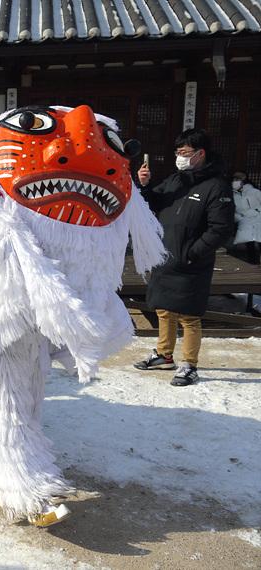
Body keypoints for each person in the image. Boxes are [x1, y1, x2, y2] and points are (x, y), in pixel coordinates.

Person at [133, 129, 235, 386]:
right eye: (177, 153)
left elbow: (221, 229)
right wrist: (144, 186)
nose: (180, 157)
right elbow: (153, 203)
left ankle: (189, 364)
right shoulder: (176, 180)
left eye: (185, 153)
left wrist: (192, 253)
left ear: (200, 154)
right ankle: (164, 355)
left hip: (191, 261)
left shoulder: (216, 186)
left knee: (189, 315)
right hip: (166, 254)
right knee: (163, 309)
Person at [231, 171, 261, 264]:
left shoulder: (255, 192)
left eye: (237, 179)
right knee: (249, 243)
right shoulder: (234, 194)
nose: (235, 181)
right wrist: (239, 218)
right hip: (245, 222)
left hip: (258, 220)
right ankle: (252, 262)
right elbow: (233, 209)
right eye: (234, 179)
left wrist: (254, 212)